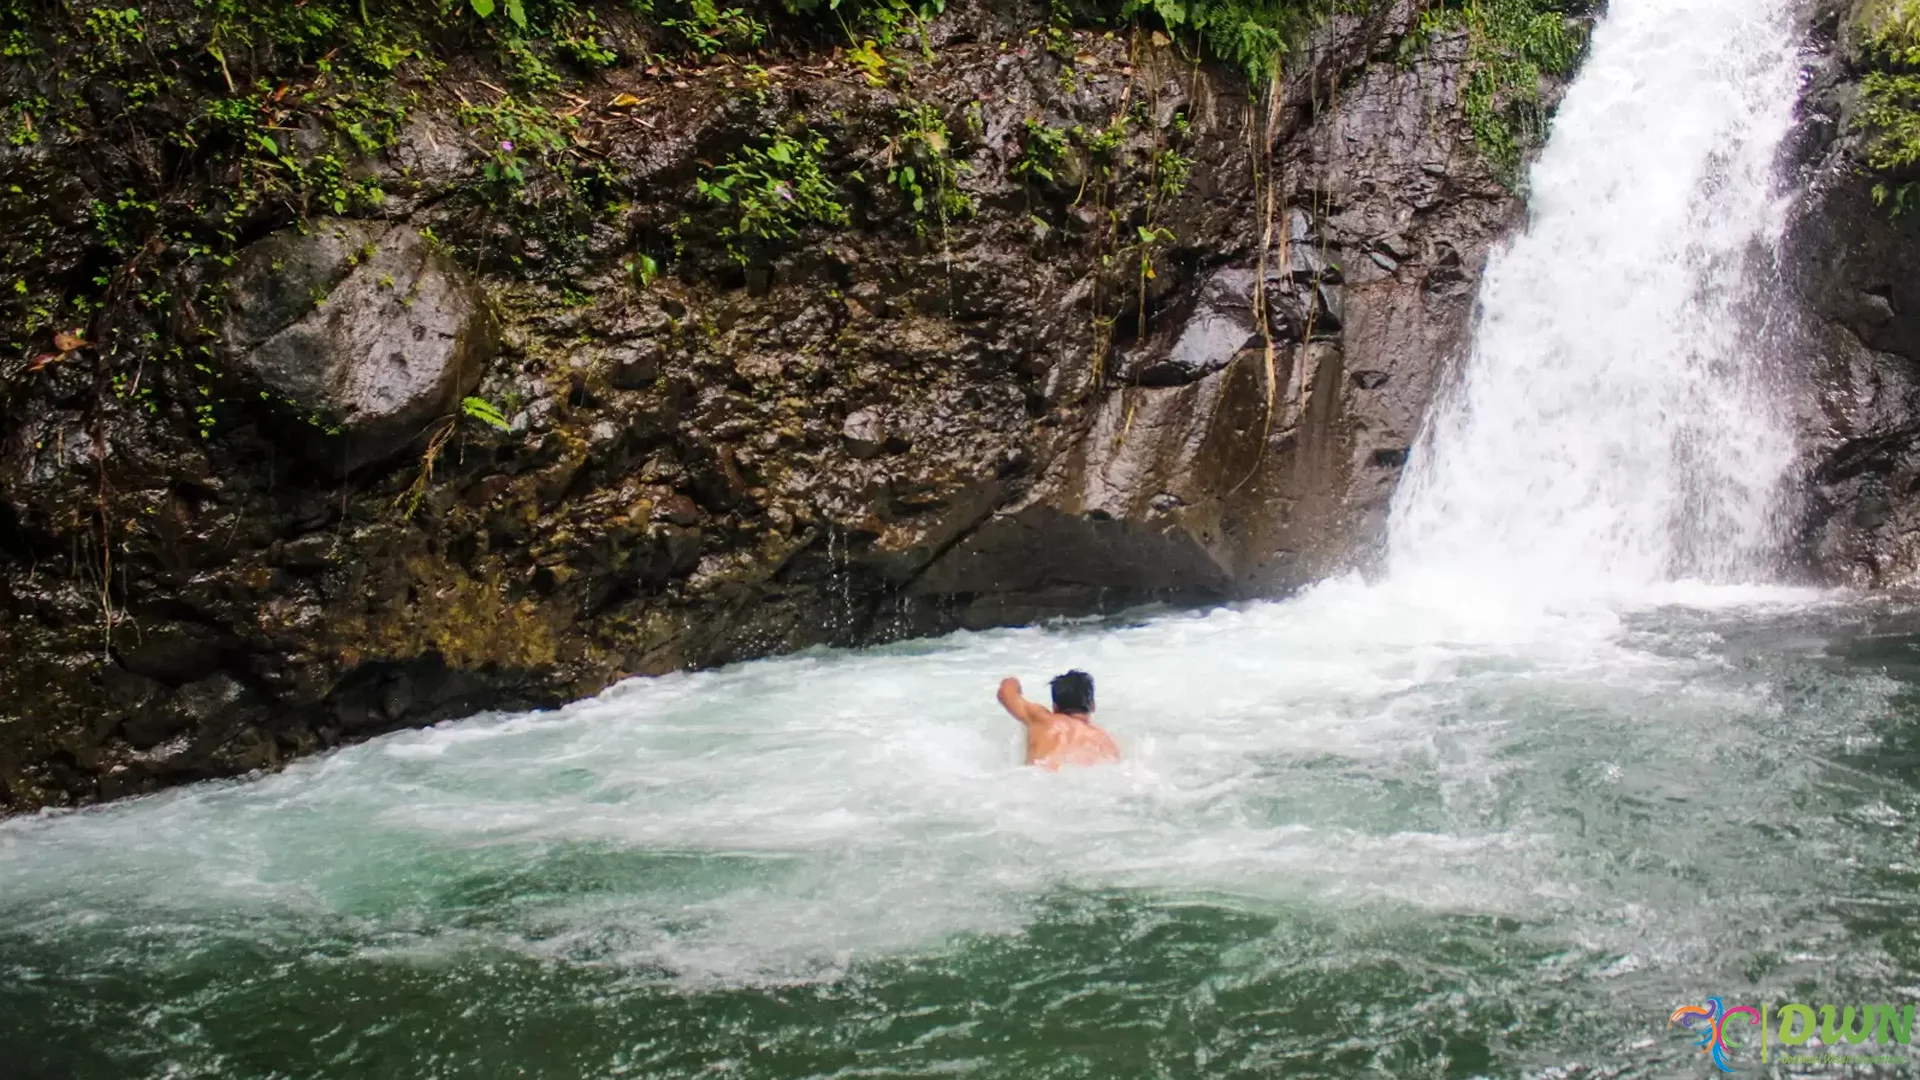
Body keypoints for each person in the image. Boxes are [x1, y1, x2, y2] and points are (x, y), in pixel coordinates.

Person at [996, 670, 1120, 769]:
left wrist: (1012, 681)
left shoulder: (1042, 719)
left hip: (1038, 781)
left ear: (1055, 706)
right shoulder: (1106, 742)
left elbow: (1005, 693)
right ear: (1093, 706)